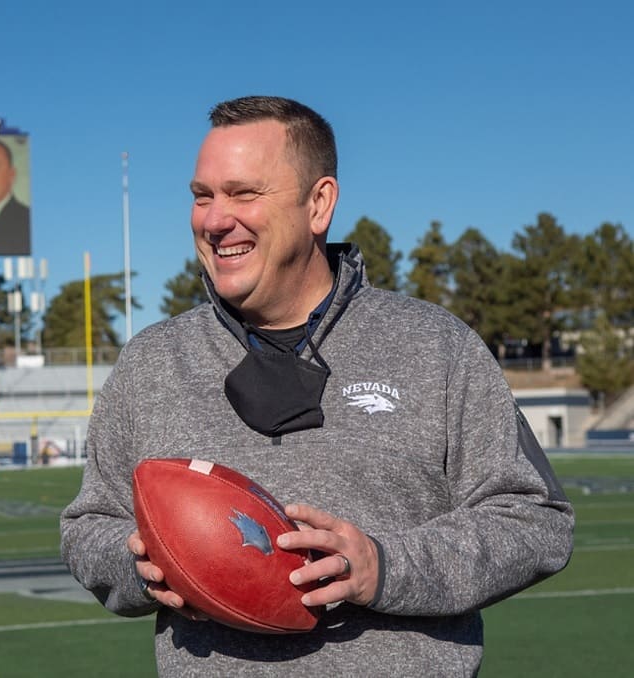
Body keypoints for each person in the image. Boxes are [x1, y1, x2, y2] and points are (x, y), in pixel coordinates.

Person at [60, 96, 574, 676]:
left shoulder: (436, 345)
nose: (214, 218)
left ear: (319, 203)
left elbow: (534, 520)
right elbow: (89, 525)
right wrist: (142, 567)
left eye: (244, 193)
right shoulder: (151, 363)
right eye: (202, 196)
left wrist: (385, 567)